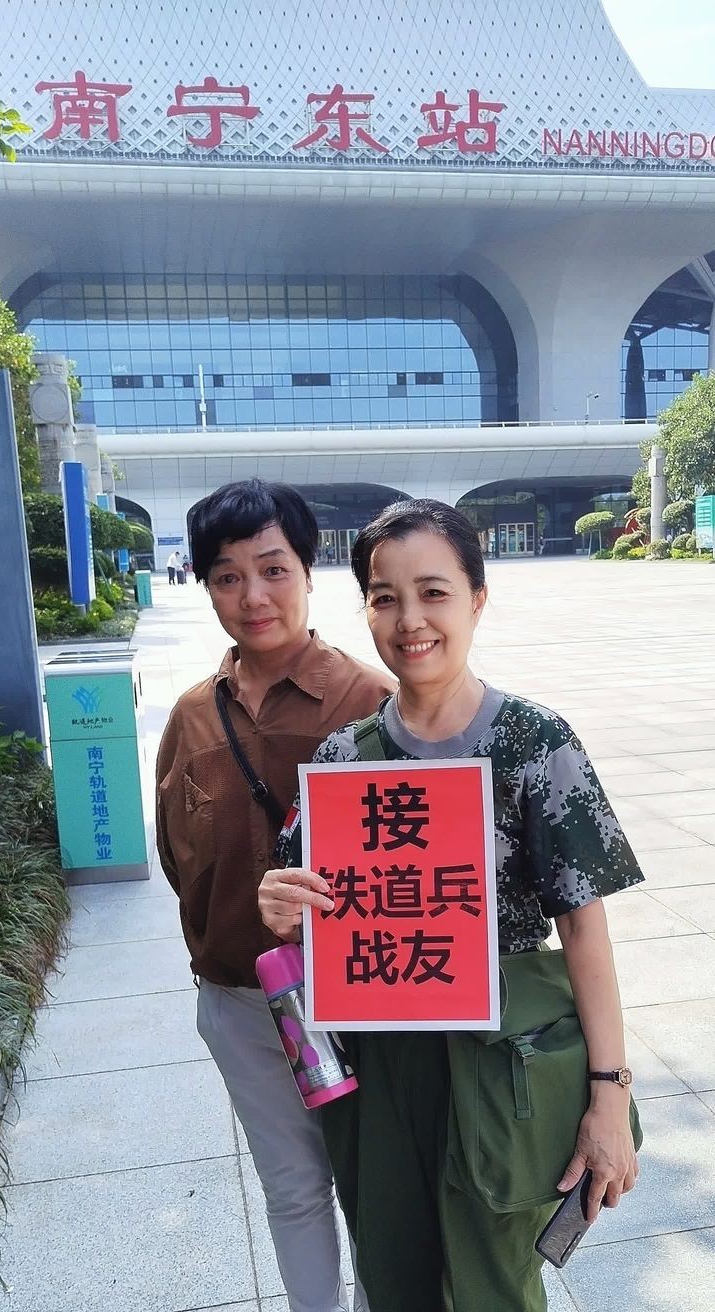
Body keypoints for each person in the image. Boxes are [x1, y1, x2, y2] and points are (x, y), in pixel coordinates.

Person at [259, 499, 643, 1312]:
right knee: (394, 1276)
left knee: (494, 1285)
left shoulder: (536, 745)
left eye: (433, 592)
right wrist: (282, 902)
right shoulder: (343, 759)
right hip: (380, 1070)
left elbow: (584, 926)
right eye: (384, 597)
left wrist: (609, 1092)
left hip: (504, 1062)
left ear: (477, 598)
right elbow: (305, 904)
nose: (410, 620)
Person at [156, 479, 394, 1312]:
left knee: (373, 1186)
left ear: (308, 570)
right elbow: (178, 855)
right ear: (205, 585)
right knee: (292, 1188)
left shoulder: (370, 704)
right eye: (227, 577)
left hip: (360, 1004)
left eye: (272, 569)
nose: (253, 596)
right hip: (239, 1000)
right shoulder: (193, 715)